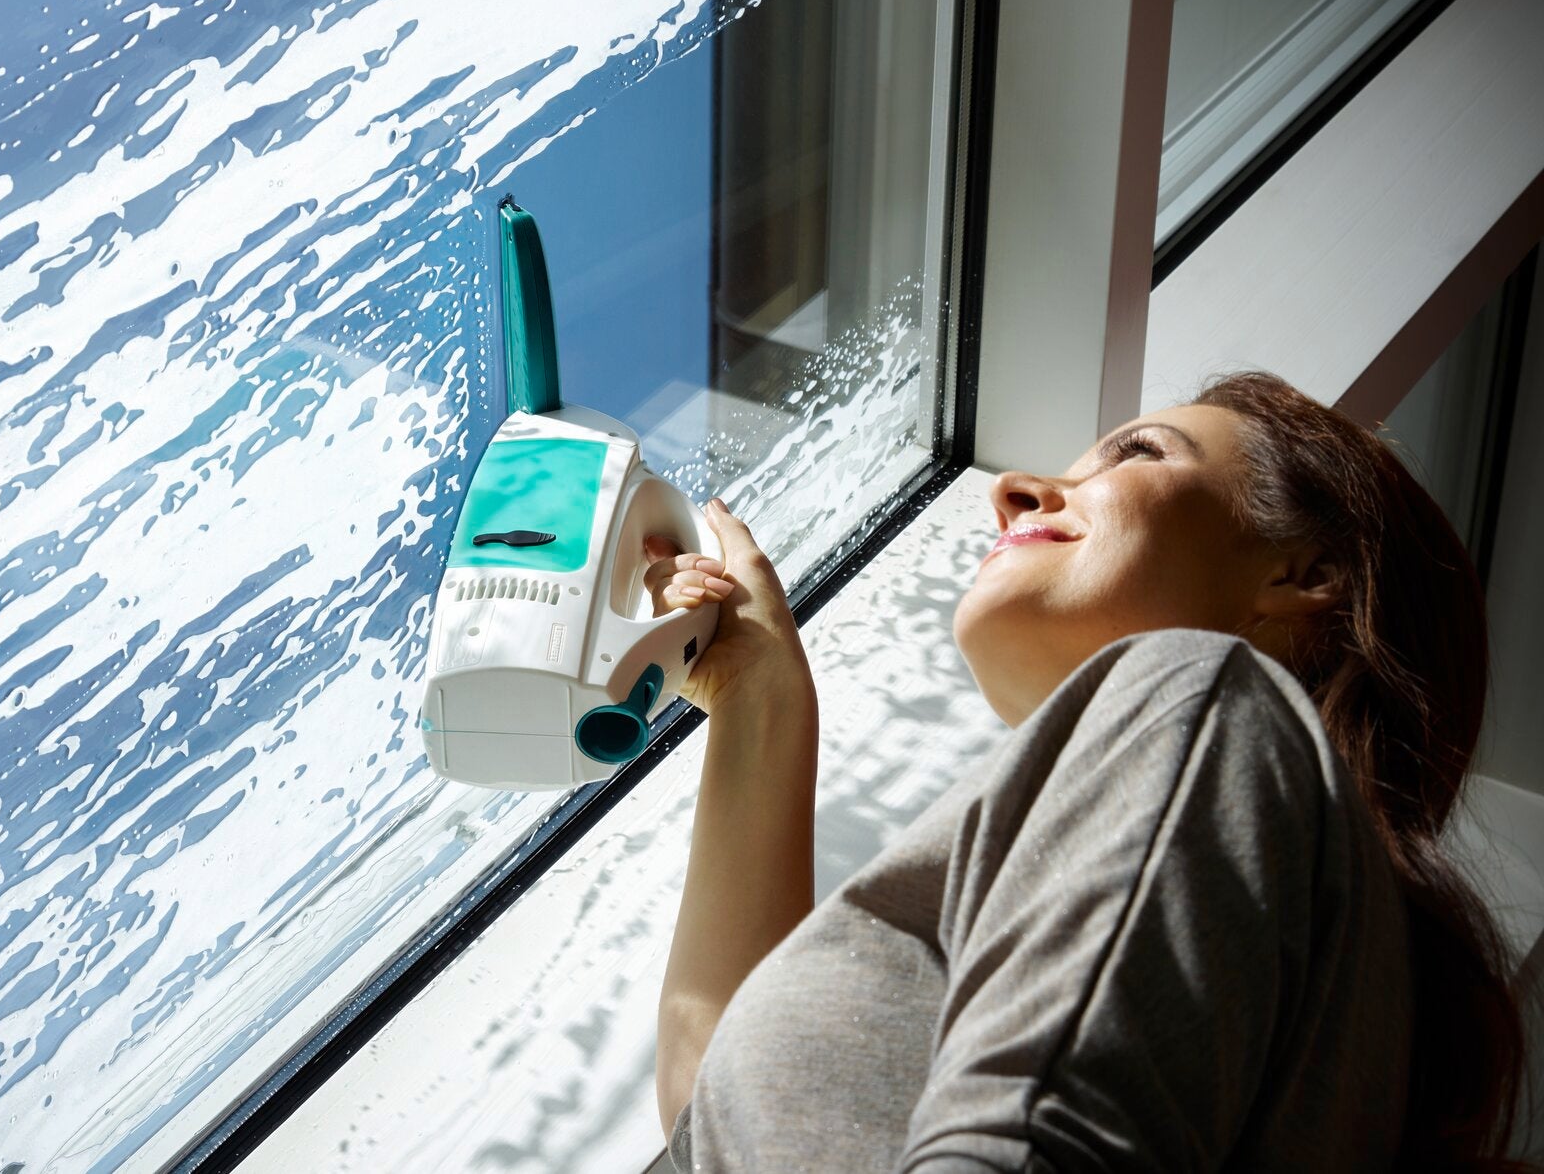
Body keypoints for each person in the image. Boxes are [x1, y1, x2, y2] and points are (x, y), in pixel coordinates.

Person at [645, 370, 1529, 1172]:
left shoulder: (1208, 703)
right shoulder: (1288, 995)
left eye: (1137, 453)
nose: (1011, 491)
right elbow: (736, 1126)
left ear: (1303, 574)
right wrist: (762, 700)